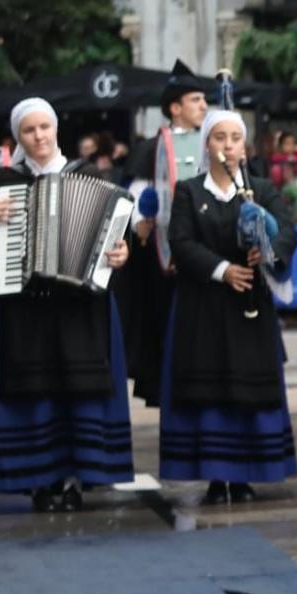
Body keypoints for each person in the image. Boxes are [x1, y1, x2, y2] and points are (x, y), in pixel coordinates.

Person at [0, 98, 132, 511]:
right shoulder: (6, 179)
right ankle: (40, 480)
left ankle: (75, 478)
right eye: (29, 131)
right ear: (19, 137)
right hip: (26, 304)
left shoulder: (86, 174)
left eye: (44, 128)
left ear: (56, 130)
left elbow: (114, 239)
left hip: (78, 305)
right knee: (35, 392)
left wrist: (121, 255)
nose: (38, 136)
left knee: (76, 389)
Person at [159, 107, 297, 505]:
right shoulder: (189, 190)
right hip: (203, 306)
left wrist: (267, 252)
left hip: (249, 308)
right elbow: (182, 243)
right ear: (207, 144)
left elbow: (287, 231)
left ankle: (245, 475)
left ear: (245, 145)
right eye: (219, 138)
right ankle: (215, 478)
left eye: (235, 138)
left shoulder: (261, 189)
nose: (228, 146)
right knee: (210, 390)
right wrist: (223, 270)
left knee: (247, 389)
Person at [119, 60, 210, 410]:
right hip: (166, 266)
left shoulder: (212, 142)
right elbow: (136, 204)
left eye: (204, 100)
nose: (203, 106)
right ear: (175, 107)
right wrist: (142, 220)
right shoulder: (150, 149)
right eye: (196, 100)